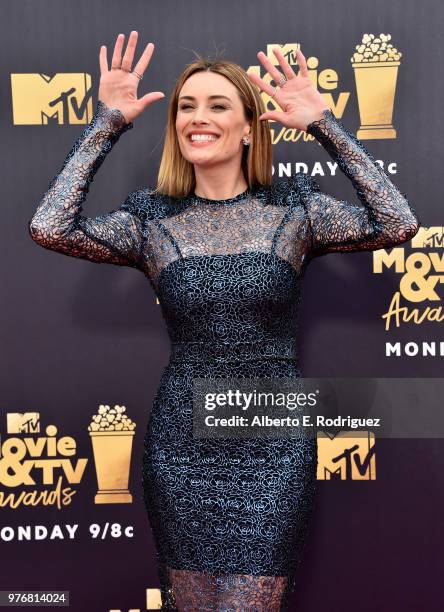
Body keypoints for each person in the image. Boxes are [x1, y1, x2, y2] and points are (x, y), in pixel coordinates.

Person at [28, 31, 420, 612]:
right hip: (181, 442)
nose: (197, 118)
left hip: (271, 441)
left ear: (248, 126)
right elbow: (50, 226)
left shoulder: (296, 210)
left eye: (216, 106)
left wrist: (324, 124)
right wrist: (106, 122)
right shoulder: (150, 219)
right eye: (186, 107)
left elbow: (397, 223)